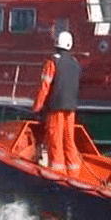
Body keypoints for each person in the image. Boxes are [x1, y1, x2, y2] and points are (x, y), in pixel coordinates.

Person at [32, 31, 82, 177]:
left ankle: (57, 176)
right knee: (69, 141)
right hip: (71, 109)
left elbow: (44, 87)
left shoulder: (52, 62)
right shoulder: (75, 64)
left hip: (55, 108)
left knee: (55, 141)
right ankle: (74, 176)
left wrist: (37, 107)